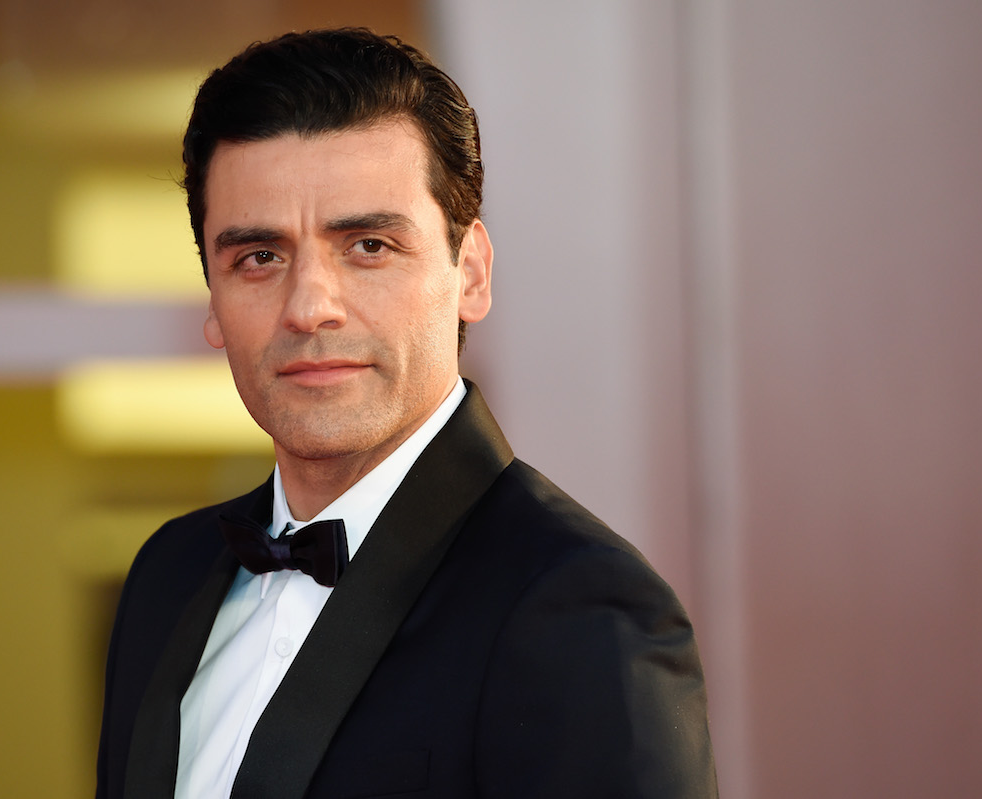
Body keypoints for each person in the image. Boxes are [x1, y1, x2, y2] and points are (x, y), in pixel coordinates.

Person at [96, 27, 718, 799]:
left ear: (471, 274)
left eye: (368, 246)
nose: (310, 307)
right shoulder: (166, 575)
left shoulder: (581, 609)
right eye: (259, 257)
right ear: (214, 301)